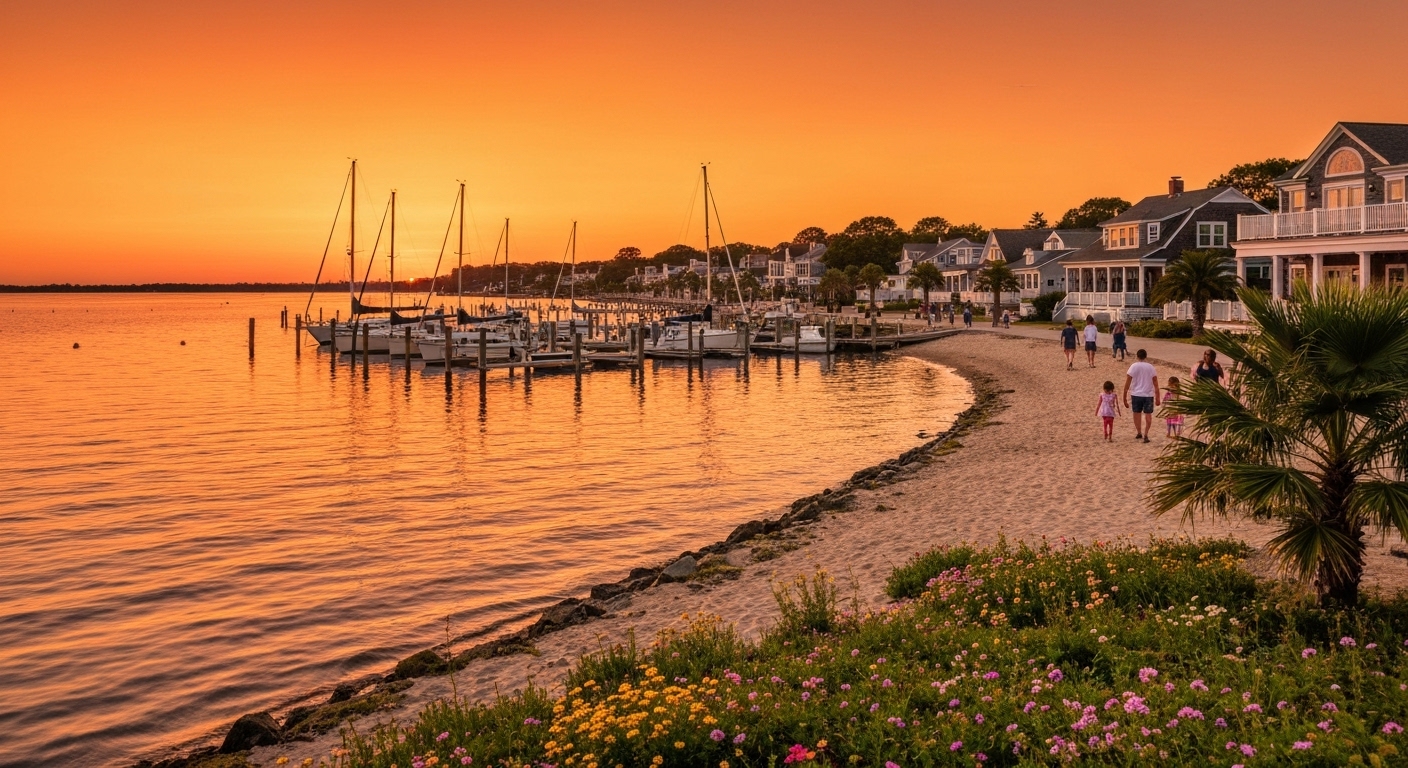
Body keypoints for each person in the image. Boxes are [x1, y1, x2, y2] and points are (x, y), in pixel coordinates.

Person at [1123, 348, 1161, 443]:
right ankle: (1146, 434)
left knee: (1137, 413)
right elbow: (1155, 382)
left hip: (1136, 394)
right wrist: (1158, 397)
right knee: (1148, 414)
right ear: (1145, 356)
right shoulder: (1151, 367)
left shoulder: (1133, 366)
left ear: (1137, 356)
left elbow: (1128, 381)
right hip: (1148, 394)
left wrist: (1124, 396)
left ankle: (1139, 432)